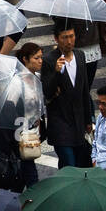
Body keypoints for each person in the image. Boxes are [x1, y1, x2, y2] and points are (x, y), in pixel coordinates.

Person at [42, 25, 93, 169]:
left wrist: (88, 120)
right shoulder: (49, 60)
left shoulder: (80, 55)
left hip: (78, 122)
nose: (69, 41)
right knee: (68, 164)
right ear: (57, 39)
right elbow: (47, 92)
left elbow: (84, 90)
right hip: (60, 122)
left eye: (72, 36)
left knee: (80, 164)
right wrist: (56, 72)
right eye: (65, 37)